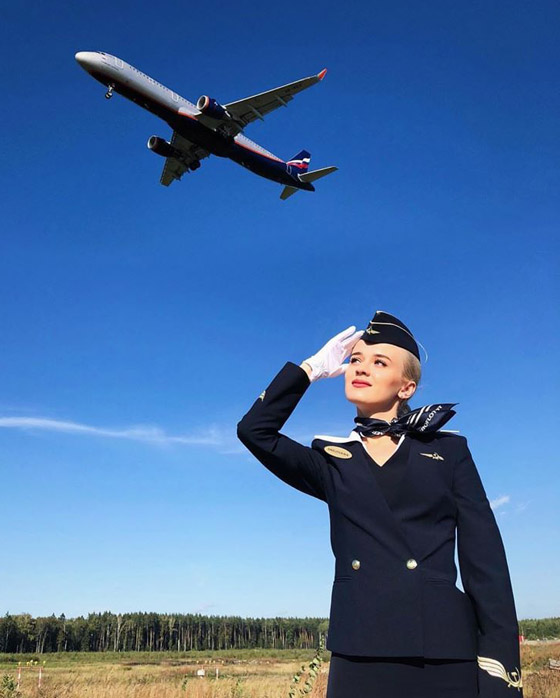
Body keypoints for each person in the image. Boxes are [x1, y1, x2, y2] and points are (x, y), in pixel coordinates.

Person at [237, 310, 523, 698]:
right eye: (356, 359)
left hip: (442, 651)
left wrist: (499, 672)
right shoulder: (332, 461)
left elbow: (485, 562)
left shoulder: (449, 451)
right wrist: (309, 370)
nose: (361, 367)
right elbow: (255, 431)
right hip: (359, 651)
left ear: (406, 387)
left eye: (379, 362)